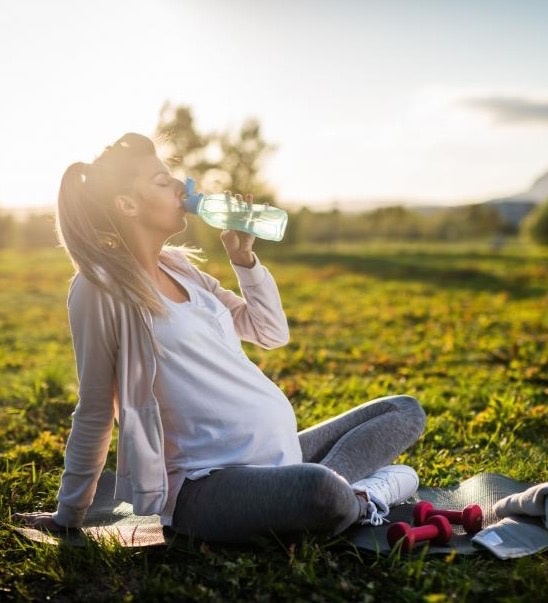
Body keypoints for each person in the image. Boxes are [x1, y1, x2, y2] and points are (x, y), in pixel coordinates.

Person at [14, 133, 426, 542]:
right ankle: (365, 493)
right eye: (161, 182)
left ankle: (337, 486)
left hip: (280, 456)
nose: (181, 187)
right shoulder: (100, 289)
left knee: (404, 411)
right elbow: (95, 408)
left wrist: (243, 258)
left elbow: (269, 331)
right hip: (207, 486)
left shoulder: (181, 269)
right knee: (319, 493)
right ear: (127, 205)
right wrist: (69, 515)